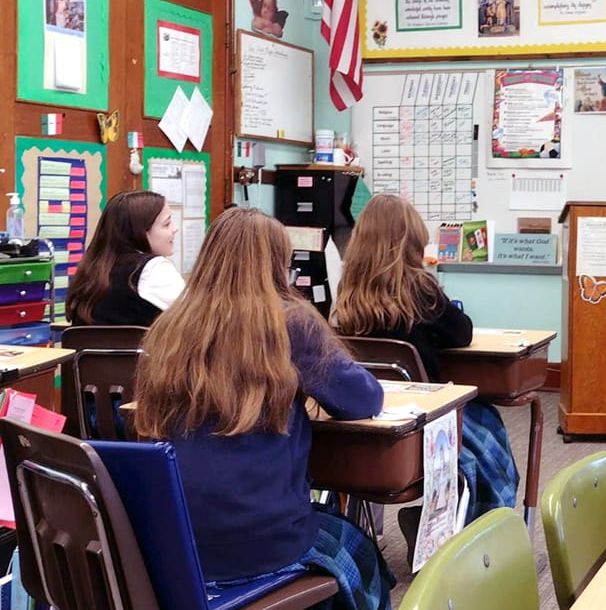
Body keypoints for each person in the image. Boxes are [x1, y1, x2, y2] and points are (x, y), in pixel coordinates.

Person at [133, 207, 393, 610]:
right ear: (279, 264)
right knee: (361, 554)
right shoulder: (289, 323)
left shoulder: (170, 326)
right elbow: (364, 399)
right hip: (261, 541)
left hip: (175, 544)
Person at [333, 195, 519, 526]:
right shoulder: (420, 290)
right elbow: (461, 333)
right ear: (410, 243)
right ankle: (466, 527)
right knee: (486, 416)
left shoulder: (348, 295)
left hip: (369, 425)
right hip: (428, 422)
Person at [65, 189, 184, 326]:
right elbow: (196, 319)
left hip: (87, 347)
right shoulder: (153, 269)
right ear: (140, 231)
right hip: (142, 347)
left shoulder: (90, 269)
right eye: (167, 224)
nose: (175, 229)